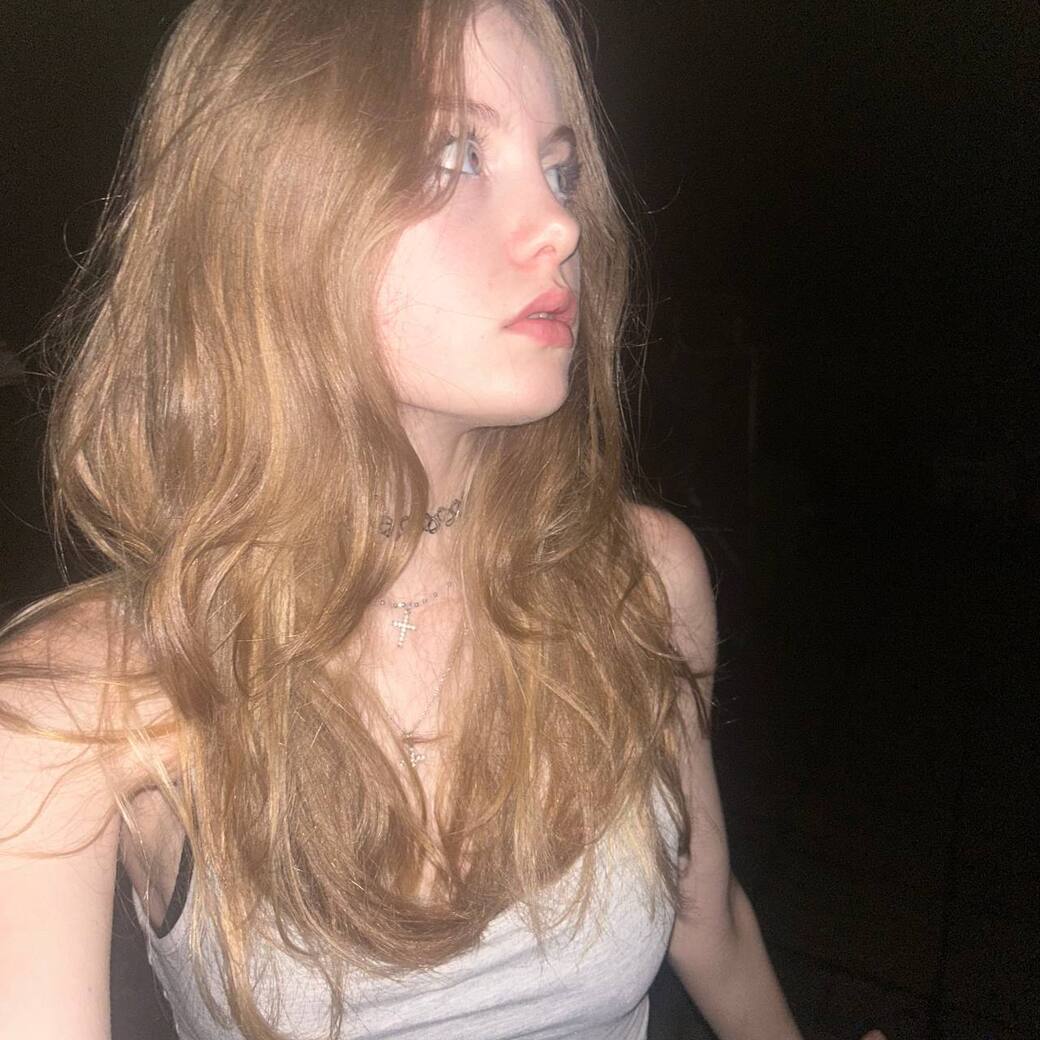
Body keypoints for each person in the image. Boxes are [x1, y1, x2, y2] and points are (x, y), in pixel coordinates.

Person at [0, 2, 887, 1039]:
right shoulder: (76, 705)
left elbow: (710, 919)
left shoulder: (640, 580)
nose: (561, 225)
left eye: (560, 169)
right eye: (455, 154)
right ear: (265, 206)